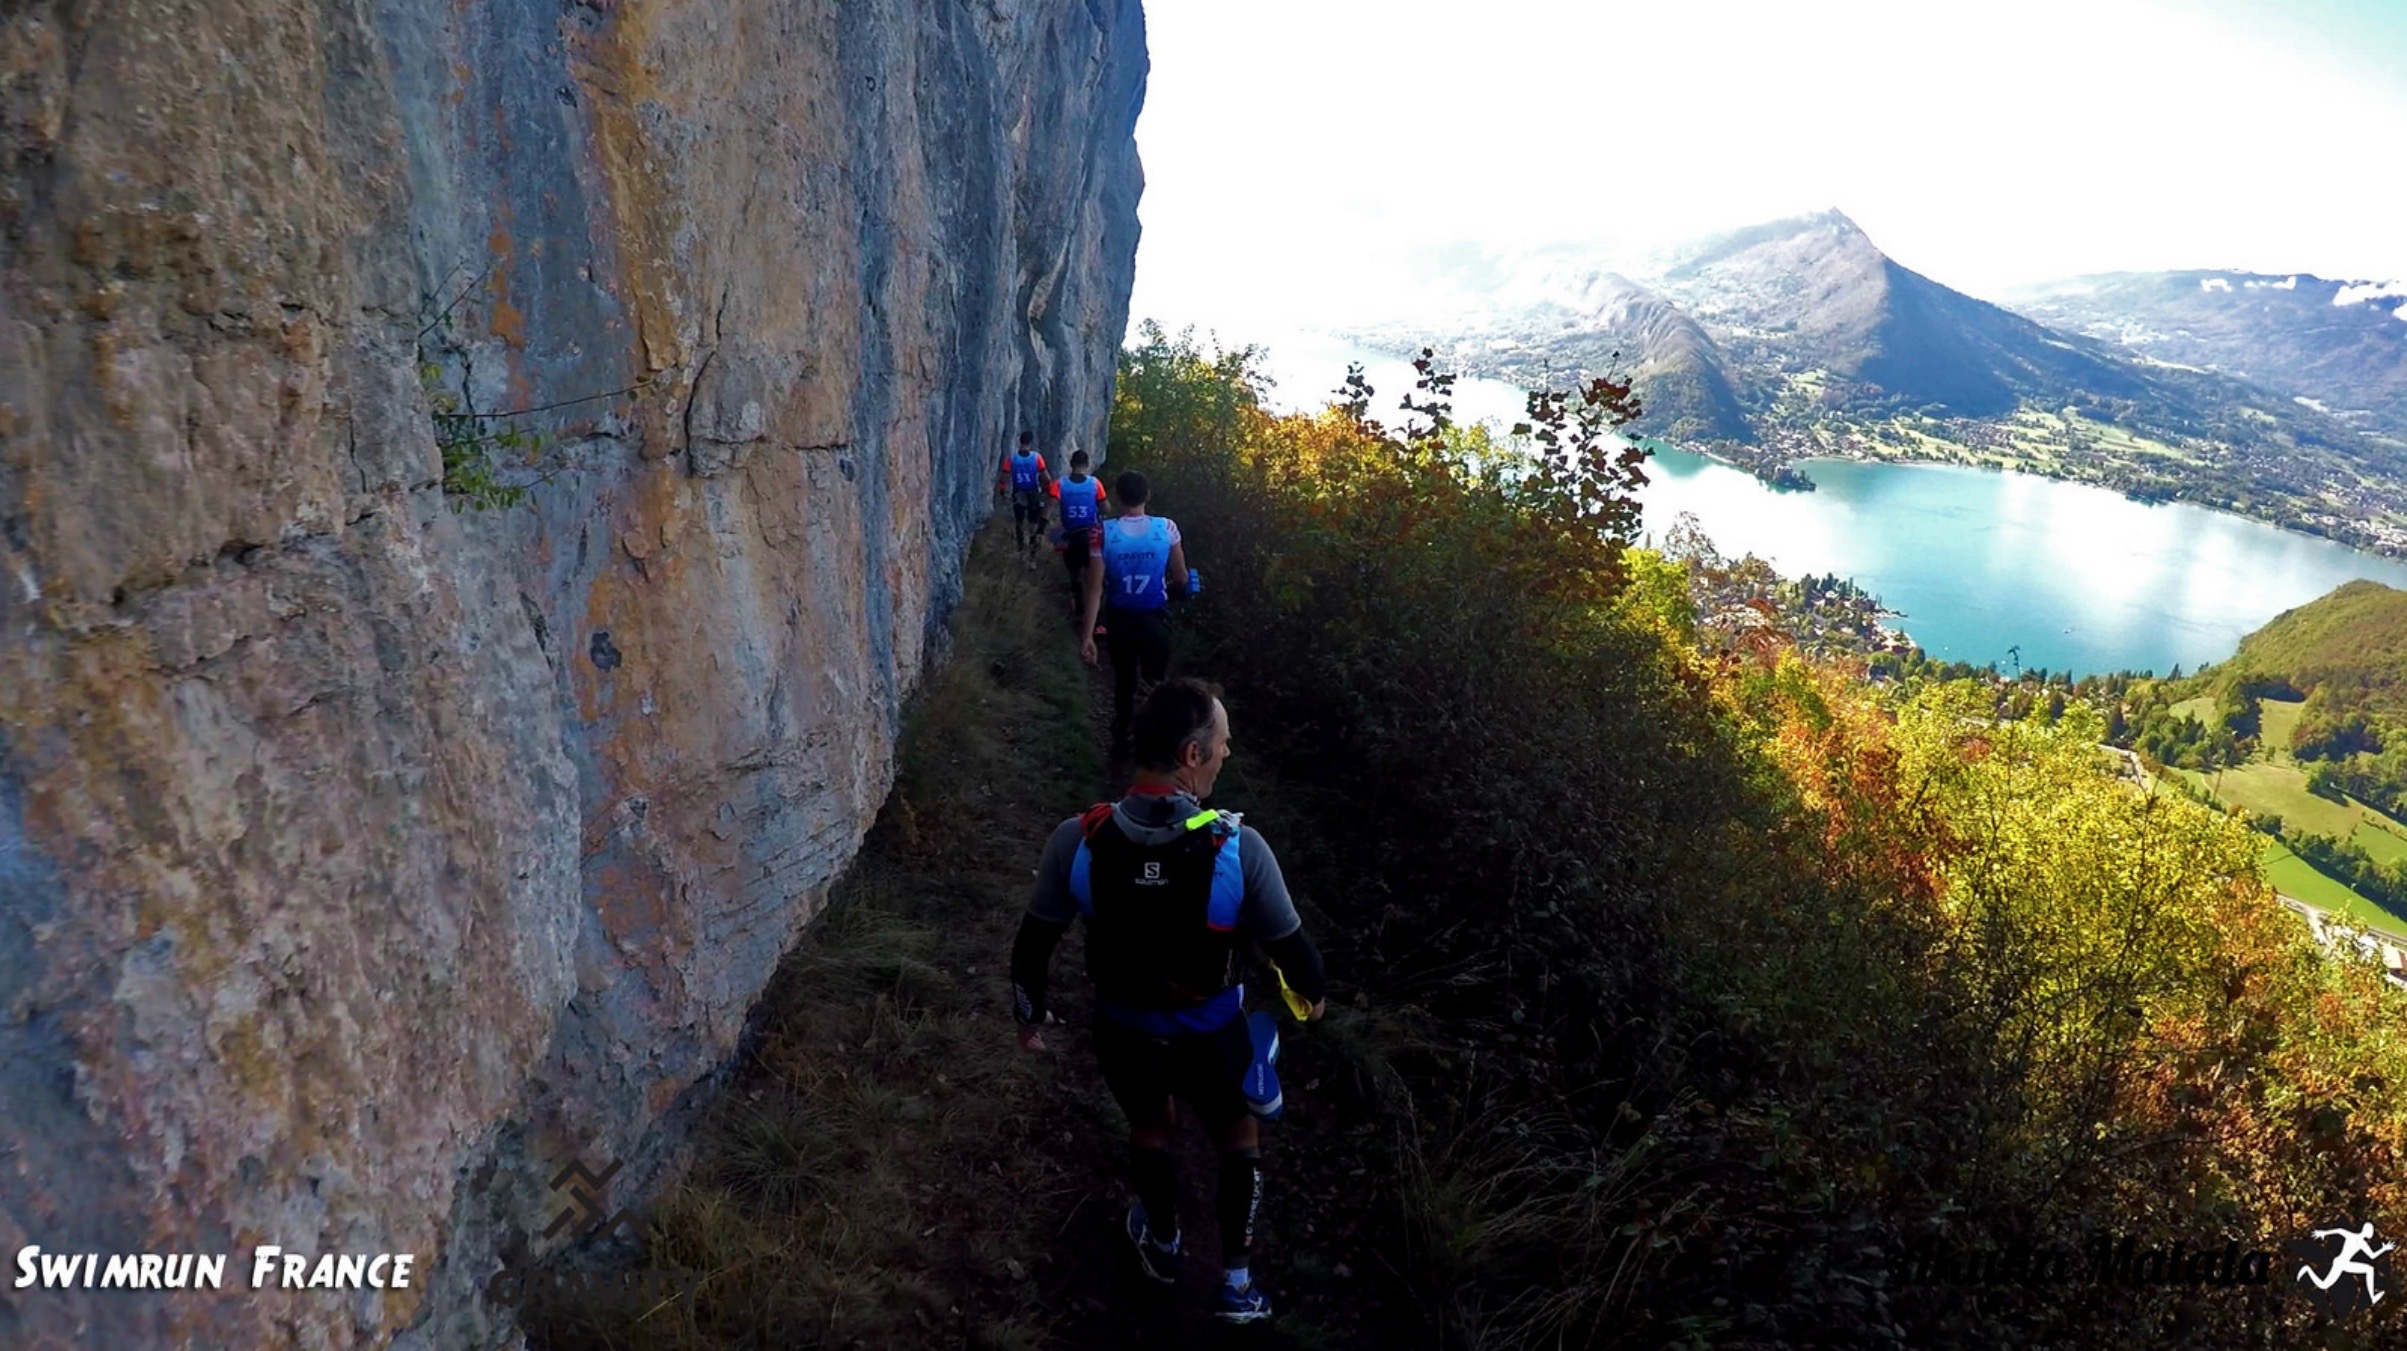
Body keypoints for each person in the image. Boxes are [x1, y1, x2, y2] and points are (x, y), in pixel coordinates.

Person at [1010, 679, 1328, 1324]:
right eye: (1222, 743)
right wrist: (1312, 1000)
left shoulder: (1077, 839)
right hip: (1213, 1035)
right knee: (1238, 1136)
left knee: (1151, 1128)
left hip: (1125, 1031)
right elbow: (1298, 957)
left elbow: (1033, 944)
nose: (1227, 753)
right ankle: (1236, 1285)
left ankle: (1161, 1242)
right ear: (1191, 754)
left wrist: (1028, 1014)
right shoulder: (1238, 846)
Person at [1079, 470, 1187, 748]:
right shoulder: (1167, 528)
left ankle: (1123, 731)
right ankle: (1152, 741)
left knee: (1125, 679)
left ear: (1117, 497)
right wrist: (1172, 590)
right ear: (1147, 495)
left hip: (1120, 619)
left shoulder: (1101, 532)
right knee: (1155, 682)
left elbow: (1095, 588)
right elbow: (1182, 577)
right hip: (1155, 616)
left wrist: (1088, 636)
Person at [1050, 449, 1109, 620]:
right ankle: (1098, 616)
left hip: (1070, 536)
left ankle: (1078, 608)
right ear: (1087, 464)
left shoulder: (1059, 484)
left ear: (1071, 463)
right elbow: (1106, 508)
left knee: (1074, 573)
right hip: (1090, 536)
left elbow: (1049, 507)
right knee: (1095, 576)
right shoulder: (1095, 484)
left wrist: (1042, 528)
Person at [996, 431, 1054, 564]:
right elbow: (1046, 477)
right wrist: (1048, 489)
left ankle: (1021, 550)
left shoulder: (1011, 459)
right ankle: (1032, 555)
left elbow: (1004, 477)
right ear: (1030, 442)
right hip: (1033, 492)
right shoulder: (1036, 458)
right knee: (1033, 523)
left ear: (1020, 441)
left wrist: (1002, 490)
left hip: (1018, 492)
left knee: (1019, 522)